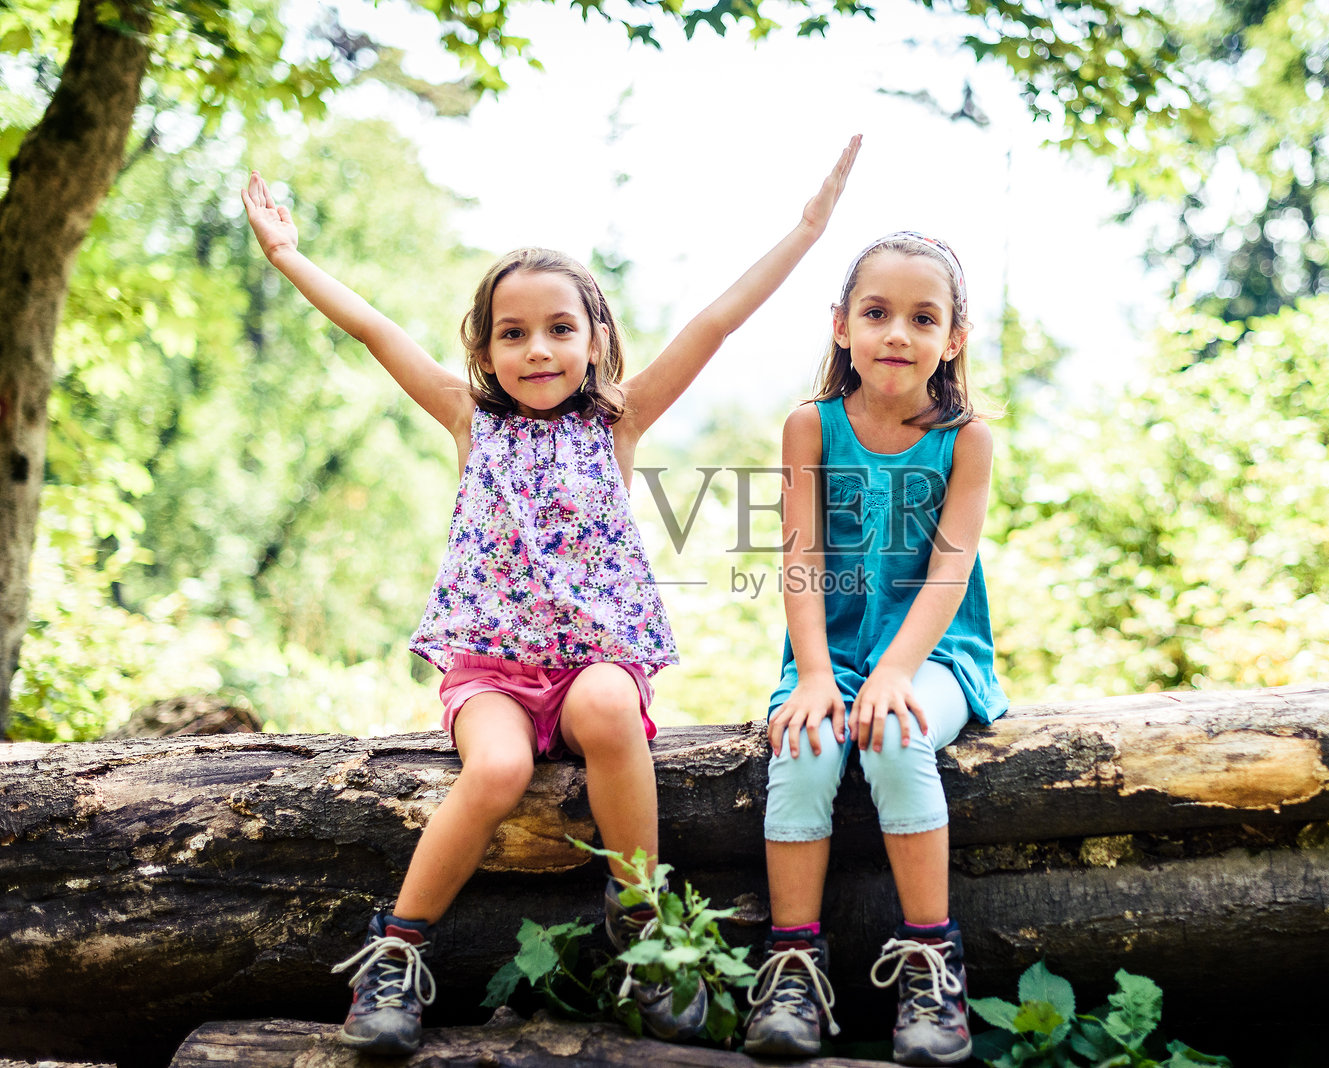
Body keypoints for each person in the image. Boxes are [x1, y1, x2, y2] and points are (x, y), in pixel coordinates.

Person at [239, 136, 860, 1055]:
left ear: (596, 337)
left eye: (559, 329)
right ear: (485, 350)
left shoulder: (620, 418)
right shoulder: (468, 417)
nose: (537, 350)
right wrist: (291, 257)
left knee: (611, 703)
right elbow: (375, 330)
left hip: (590, 666)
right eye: (513, 333)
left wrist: (807, 229)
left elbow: (718, 320)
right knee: (495, 773)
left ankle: (642, 926)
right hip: (489, 671)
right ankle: (399, 952)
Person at [744, 232, 1007, 1065]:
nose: (897, 332)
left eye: (922, 317)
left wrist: (894, 673)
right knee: (805, 744)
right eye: (877, 312)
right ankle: (792, 967)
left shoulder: (966, 439)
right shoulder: (810, 427)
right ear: (841, 325)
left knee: (894, 733)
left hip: (938, 658)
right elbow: (801, 558)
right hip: (832, 656)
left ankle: (931, 963)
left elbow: (949, 569)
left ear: (953, 340)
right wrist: (816, 675)